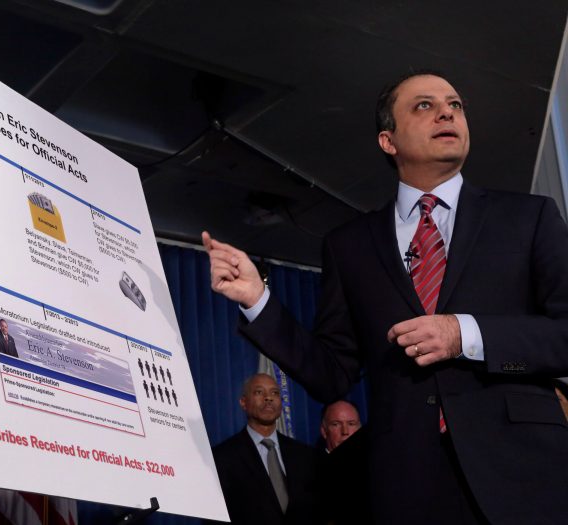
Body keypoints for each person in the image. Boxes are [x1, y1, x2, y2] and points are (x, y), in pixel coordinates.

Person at [203, 71, 568, 524]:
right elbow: (331, 373)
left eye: (455, 104)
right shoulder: (349, 246)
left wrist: (465, 334)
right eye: (424, 105)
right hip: (406, 486)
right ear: (387, 141)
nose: (447, 113)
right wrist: (259, 300)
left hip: (522, 477)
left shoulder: (528, 217)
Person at [210, 373, 323, 525]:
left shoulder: (305, 456)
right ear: (243, 402)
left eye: (274, 393)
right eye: (259, 392)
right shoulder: (222, 458)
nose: (268, 398)